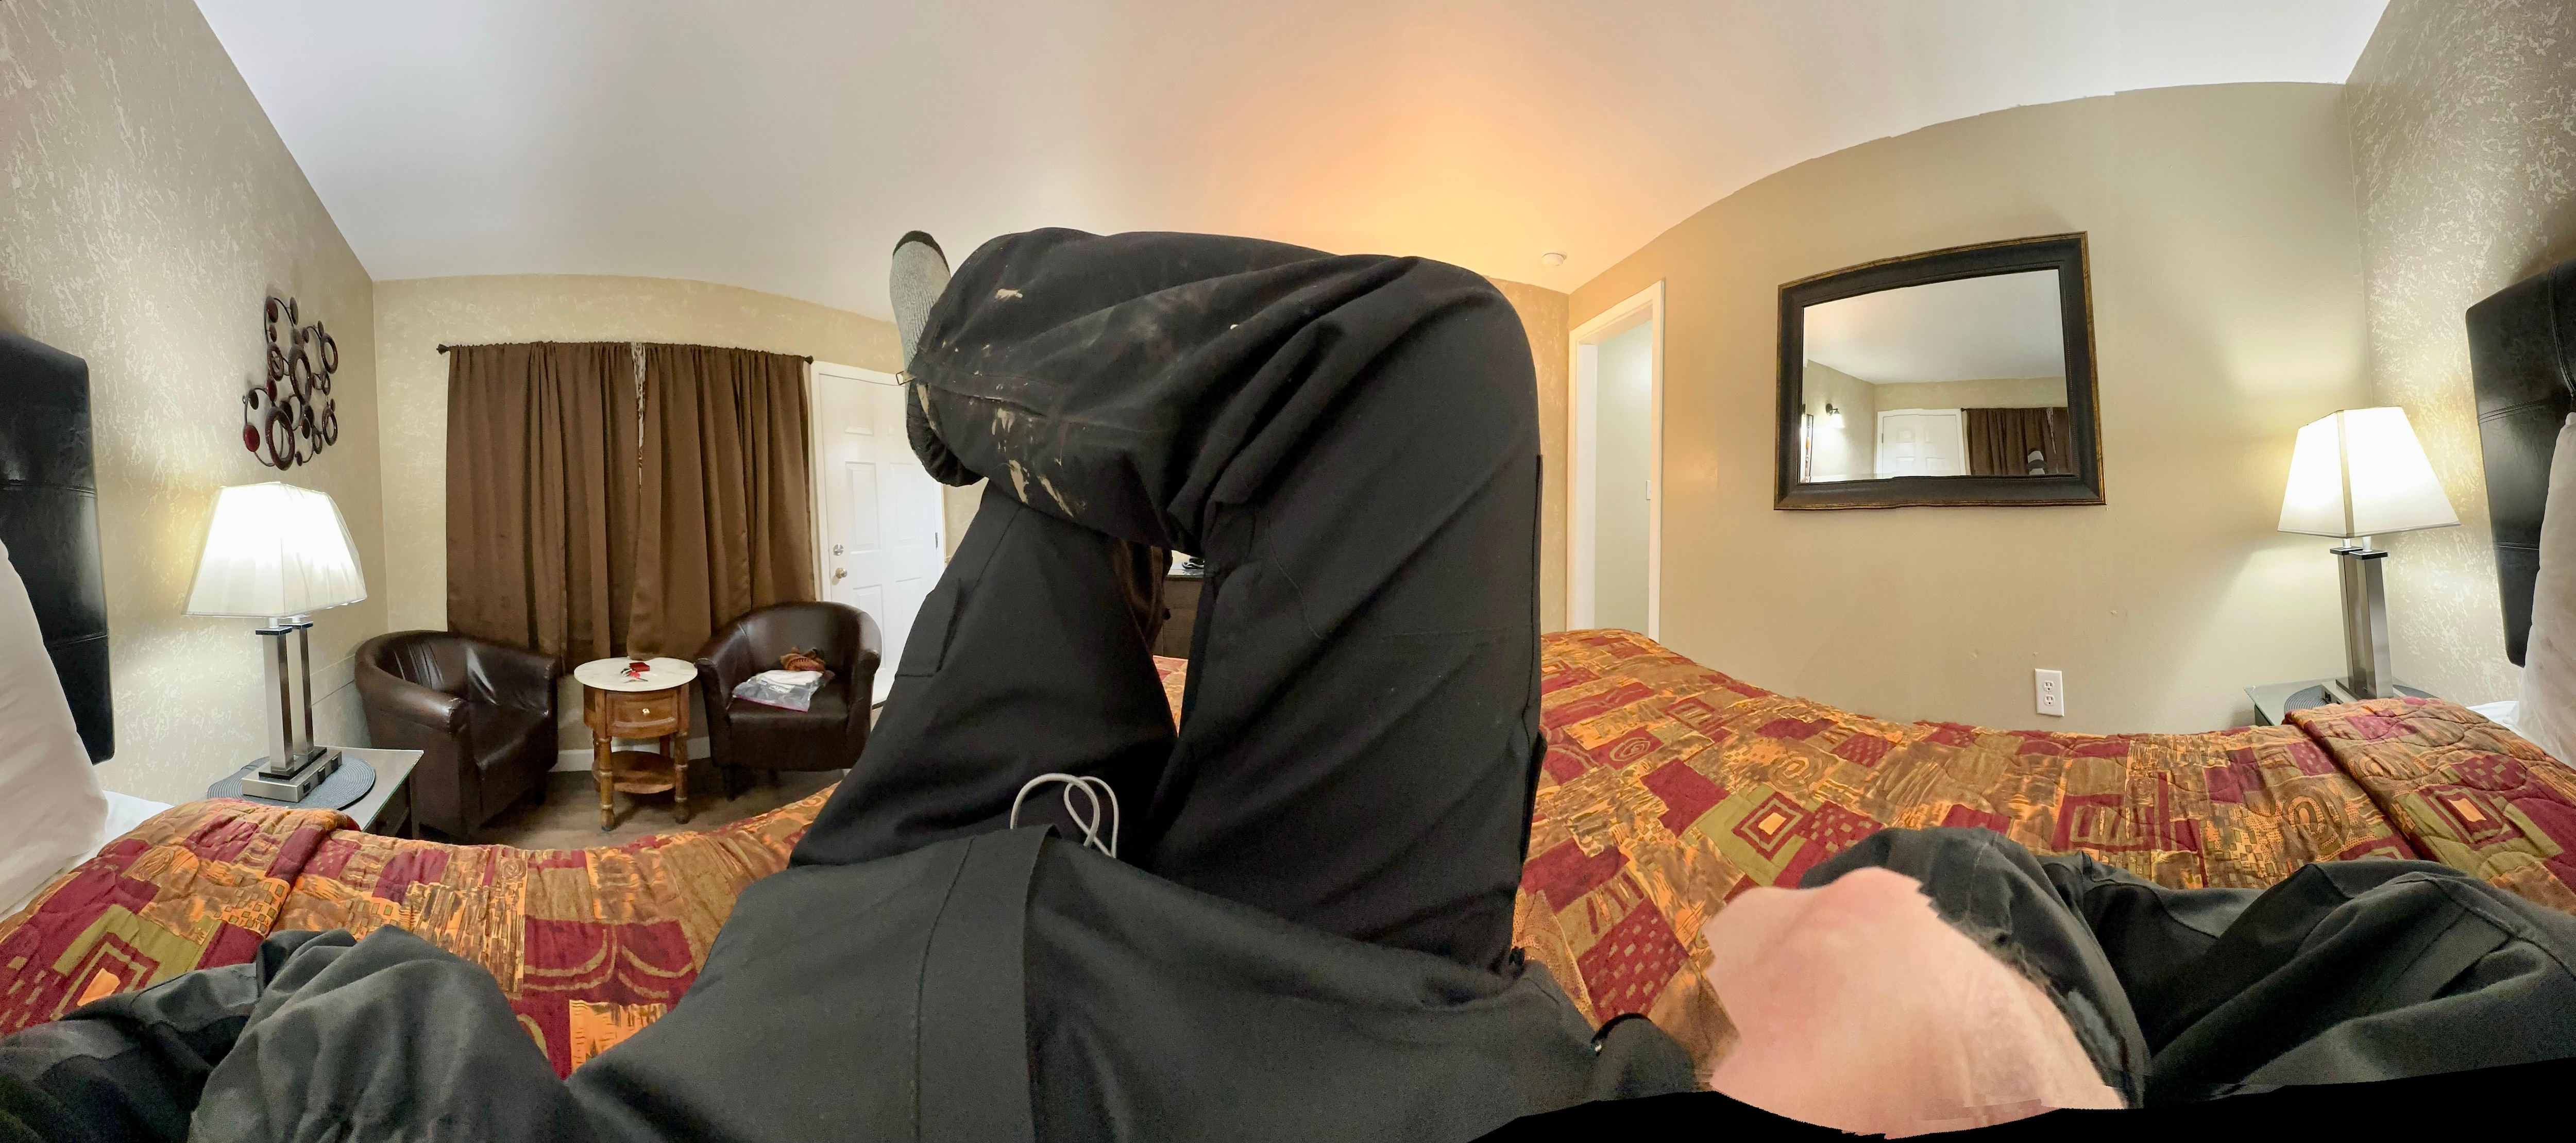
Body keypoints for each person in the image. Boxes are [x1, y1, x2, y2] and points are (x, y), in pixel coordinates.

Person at [0, 229, 1697, 1143]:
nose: (1808, 882)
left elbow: (245, 1035)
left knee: (1054, 519)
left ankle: (982, 389)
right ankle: (997, 391)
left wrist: (351, 1022)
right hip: (1348, 1005)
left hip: (902, 911)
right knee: (1424, 366)